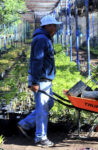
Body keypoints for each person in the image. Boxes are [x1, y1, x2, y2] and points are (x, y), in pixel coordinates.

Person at [17, 15, 62, 147]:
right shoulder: (42, 39)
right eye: (54, 25)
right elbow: (37, 61)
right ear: (47, 26)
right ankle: (41, 138)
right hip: (41, 80)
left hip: (45, 79)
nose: (56, 27)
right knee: (42, 109)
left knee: (49, 104)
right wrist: (35, 82)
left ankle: (25, 124)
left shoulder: (45, 37)